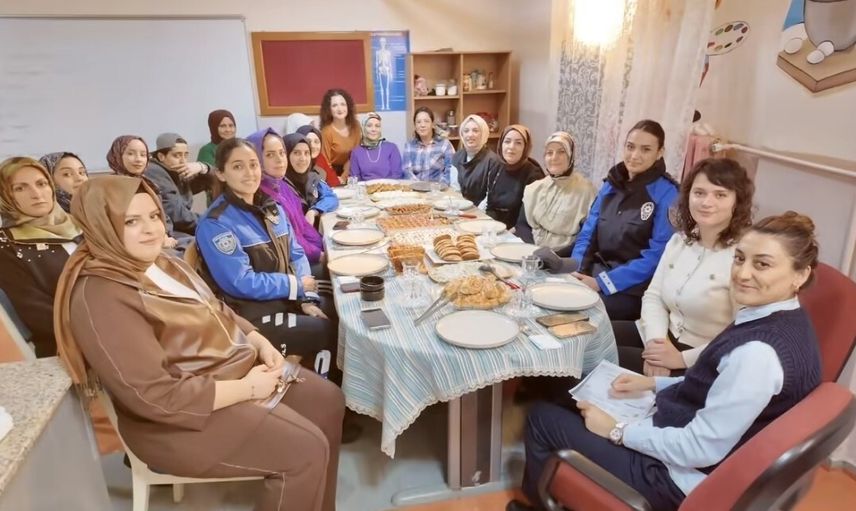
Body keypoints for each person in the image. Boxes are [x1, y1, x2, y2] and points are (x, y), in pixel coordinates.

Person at [55, 176, 343, 511]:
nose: (150, 229)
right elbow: (154, 397)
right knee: (305, 452)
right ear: (101, 225)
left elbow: (215, 307)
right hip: (178, 422)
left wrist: (258, 340)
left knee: (328, 401)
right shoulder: (102, 297)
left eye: (153, 216)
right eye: (130, 221)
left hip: (226, 371)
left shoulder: (163, 262)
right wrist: (249, 388)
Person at [510, 211, 823, 511]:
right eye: (740, 259)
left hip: (676, 479)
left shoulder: (757, 355)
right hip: (679, 425)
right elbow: (718, 384)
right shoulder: (783, 319)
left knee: (542, 418)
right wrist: (652, 383)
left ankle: (540, 504)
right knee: (572, 389)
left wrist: (617, 430)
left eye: (762, 264)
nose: (742, 273)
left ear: (801, 274)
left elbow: (699, 449)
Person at [195, 138, 339, 382]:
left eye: (253, 164)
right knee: (327, 330)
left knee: (339, 309)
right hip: (252, 315)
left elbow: (296, 253)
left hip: (284, 298)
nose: (249, 173)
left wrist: (305, 298)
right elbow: (241, 282)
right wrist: (294, 285)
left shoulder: (271, 208)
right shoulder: (216, 224)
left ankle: (334, 385)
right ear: (221, 173)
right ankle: (321, 391)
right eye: (238, 166)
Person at [615, 158, 754, 376]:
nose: (706, 202)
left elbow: (742, 333)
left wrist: (680, 359)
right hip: (661, 334)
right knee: (589, 339)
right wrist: (656, 344)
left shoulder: (744, 258)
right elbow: (654, 296)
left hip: (704, 356)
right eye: (699, 193)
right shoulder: (679, 240)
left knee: (596, 359)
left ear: (738, 201)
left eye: (720, 195)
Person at [570, 120, 679, 321]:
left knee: (577, 313)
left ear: (660, 152)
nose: (635, 155)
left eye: (646, 149)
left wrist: (602, 283)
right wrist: (577, 271)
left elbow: (657, 256)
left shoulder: (668, 193)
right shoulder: (611, 184)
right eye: (630, 147)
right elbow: (588, 233)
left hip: (632, 289)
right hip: (595, 273)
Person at [0, 156, 82, 357]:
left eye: (41, 184)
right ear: (4, 195)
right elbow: (38, 314)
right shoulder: (7, 245)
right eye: (20, 188)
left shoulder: (81, 225)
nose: (36, 194)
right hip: (69, 347)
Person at [250, 128, 325, 267]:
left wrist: (322, 247)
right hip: (290, 265)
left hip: (306, 255)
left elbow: (303, 225)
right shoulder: (260, 196)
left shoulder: (282, 184)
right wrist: (319, 256)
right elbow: (290, 241)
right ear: (256, 159)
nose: (279, 160)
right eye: (270, 155)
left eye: (282, 153)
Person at [515, 132, 595, 246]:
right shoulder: (535, 188)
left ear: (571, 156)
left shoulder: (586, 191)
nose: (554, 157)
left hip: (564, 254)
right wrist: (533, 250)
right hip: (531, 249)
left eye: (561, 152)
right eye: (549, 152)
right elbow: (522, 225)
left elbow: (586, 236)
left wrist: (556, 255)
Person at [106, 135, 182, 250]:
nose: (138, 159)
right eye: (130, 154)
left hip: (160, 236)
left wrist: (165, 234)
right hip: (129, 244)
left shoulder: (148, 183)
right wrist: (158, 238)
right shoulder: (110, 187)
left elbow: (162, 216)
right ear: (117, 155)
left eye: (143, 155)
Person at [145, 133, 211, 235]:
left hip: (177, 226)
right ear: (161, 156)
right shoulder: (154, 172)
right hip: (165, 231)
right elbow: (178, 215)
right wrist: (211, 222)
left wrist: (202, 167)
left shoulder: (174, 171)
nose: (183, 161)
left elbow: (212, 179)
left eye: (186, 155)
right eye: (177, 155)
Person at [482, 125, 545, 229]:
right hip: (494, 228)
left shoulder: (534, 175)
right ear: (501, 144)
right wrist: (489, 227)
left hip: (518, 231)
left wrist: (505, 233)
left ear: (525, 147)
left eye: (518, 143)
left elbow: (527, 220)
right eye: (507, 141)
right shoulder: (496, 166)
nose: (511, 147)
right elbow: (490, 206)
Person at [282, 132, 339, 228]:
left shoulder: (312, 177)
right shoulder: (281, 185)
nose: (303, 158)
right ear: (286, 155)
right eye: (296, 153)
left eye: (306, 153)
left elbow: (331, 197)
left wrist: (313, 211)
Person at [452, 113, 504, 205]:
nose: (470, 135)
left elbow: (490, 196)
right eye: (466, 131)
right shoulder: (457, 156)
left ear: (483, 133)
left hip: (482, 210)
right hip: (460, 207)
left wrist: (475, 211)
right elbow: (455, 188)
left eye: (475, 131)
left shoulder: (493, 161)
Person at [401, 107, 455, 185]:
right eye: (418, 122)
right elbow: (406, 170)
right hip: (415, 188)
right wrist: (418, 186)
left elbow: (450, 170)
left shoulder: (445, 144)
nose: (422, 125)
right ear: (415, 126)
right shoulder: (409, 145)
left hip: (438, 189)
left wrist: (440, 186)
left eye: (426, 121)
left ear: (432, 124)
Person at [319, 89, 361, 181]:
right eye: (335, 105)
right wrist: (336, 179)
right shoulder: (326, 132)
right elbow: (325, 162)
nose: (340, 109)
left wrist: (344, 176)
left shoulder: (356, 127)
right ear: (329, 109)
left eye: (343, 104)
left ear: (348, 106)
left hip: (352, 171)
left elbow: (355, 155)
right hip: (331, 174)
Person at [348, 112, 404, 180]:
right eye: (369, 126)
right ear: (363, 128)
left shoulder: (392, 148)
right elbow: (354, 179)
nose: (373, 129)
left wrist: (383, 186)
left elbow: (397, 175)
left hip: (389, 186)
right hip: (365, 186)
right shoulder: (356, 152)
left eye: (377, 126)